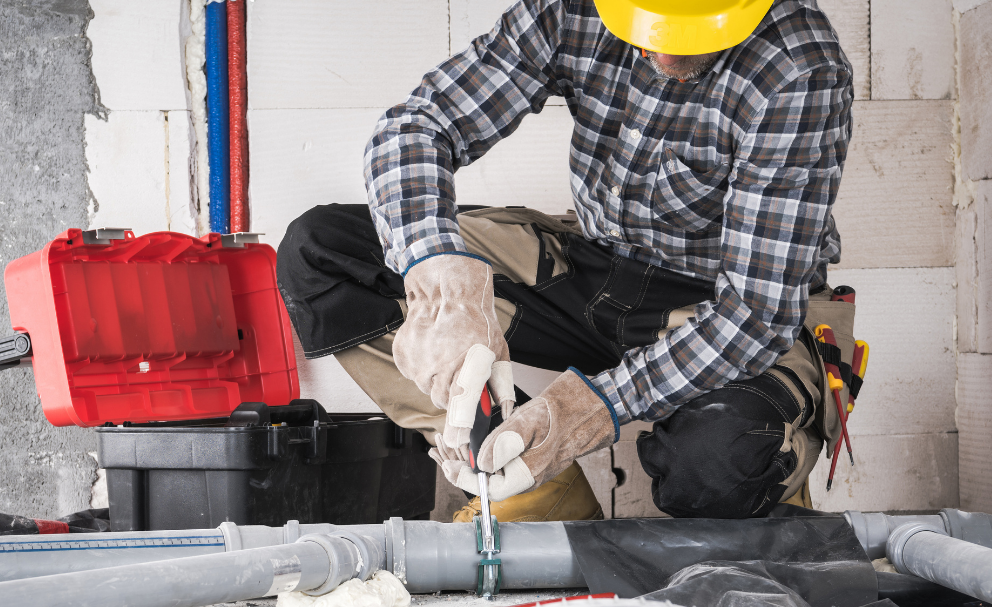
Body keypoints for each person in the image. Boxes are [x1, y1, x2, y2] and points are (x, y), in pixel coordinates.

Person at [276, 0, 854, 522]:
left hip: (721, 307)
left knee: (719, 465)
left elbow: (752, 314)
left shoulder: (799, 64)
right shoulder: (571, 8)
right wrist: (439, 278)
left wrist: (583, 412)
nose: (664, 49)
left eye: (692, 31)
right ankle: (521, 485)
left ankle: (770, 480)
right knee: (322, 252)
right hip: (587, 268)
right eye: (649, 25)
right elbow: (417, 127)